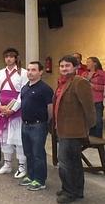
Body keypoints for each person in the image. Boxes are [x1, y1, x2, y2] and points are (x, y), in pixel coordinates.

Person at [54, 55, 95, 203]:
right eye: (62, 66)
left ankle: (69, 192)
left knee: (65, 162)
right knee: (74, 162)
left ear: (76, 67)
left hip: (73, 131)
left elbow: (89, 108)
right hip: (63, 129)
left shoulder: (79, 82)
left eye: (67, 66)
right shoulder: (62, 82)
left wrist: (87, 128)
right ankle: (76, 190)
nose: (64, 68)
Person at [0, 48, 28, 178]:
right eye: (6, 56)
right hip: (1, 110)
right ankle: (7, 165)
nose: (8, 59)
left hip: (16, 111)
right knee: (4, 139)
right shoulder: (0, 73)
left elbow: (23, 92)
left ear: (16, 58)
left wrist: (13, 109)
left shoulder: (23, 73)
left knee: (18, 139)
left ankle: (22, 166)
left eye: (11, 56)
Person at [18, 61, 53, 191]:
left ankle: (40, 180)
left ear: (40, 72)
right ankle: (31, 176)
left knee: (38, 153)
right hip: (25, 125)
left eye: (33, 70)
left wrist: (46, 123)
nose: (30, 72)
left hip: (38, 125)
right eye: (28, 69)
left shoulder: (45, 89)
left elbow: (50, 109)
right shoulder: (25, 87)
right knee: (28, 152)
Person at [83, 57, 104, 138]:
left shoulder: (102, 74)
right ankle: (90, 137)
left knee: (98, 120)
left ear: (95, 63)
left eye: (89, 62)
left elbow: (103, 87)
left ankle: (98, 138)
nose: (87, 63)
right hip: (87, 100)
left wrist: (93, 86)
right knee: (89, 120)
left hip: (98, 100)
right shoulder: (84, 74)